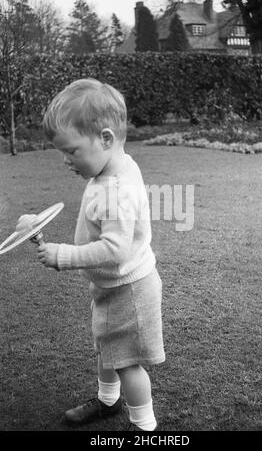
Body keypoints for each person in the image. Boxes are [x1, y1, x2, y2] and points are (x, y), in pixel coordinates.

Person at [18, 78, 165, 431]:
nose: (66, 161)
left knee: (128, 362)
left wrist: (64, 255)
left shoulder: (116, 191)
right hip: (112, 286)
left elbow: (115, 249)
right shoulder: (115, 166)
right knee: (108, 348)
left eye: (71, 151)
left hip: (129, 289)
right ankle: (107, 400)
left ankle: (146, 429)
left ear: (106, 139)